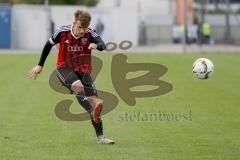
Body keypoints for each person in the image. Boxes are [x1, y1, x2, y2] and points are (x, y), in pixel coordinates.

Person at [28, 10, 115, 145]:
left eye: (85, 28)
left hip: (84, 72)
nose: (82, 31)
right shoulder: (62, 32)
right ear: (74, 23)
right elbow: (48, 45)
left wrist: (96, 45)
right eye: (80, 27)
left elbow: (103, 45)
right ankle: (92, 112)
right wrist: (40, 65)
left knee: (95, 102)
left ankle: (101, 138)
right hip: (64, 69)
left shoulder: (91, 33)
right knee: (78, 86)